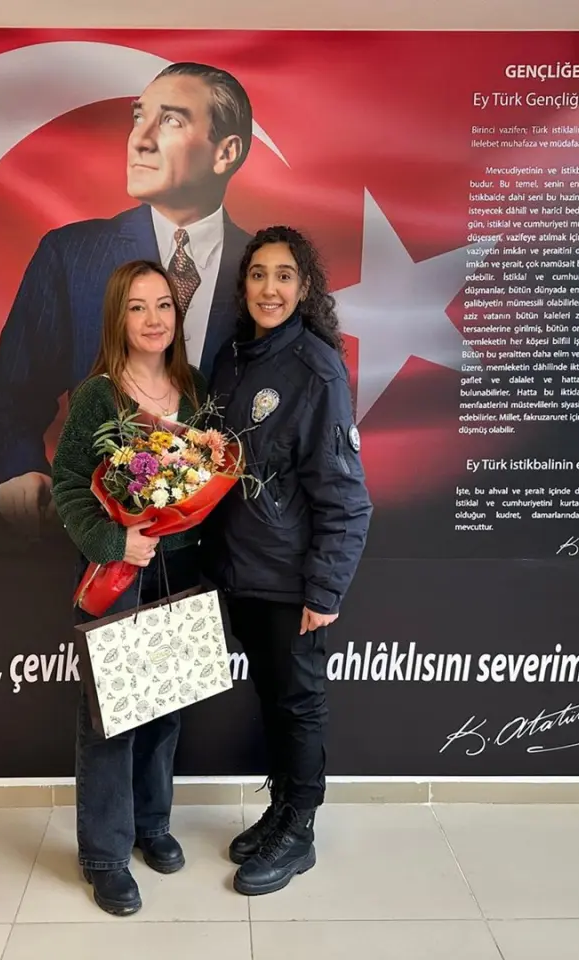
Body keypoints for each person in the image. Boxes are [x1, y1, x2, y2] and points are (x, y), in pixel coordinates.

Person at [0, 61, 254, 529]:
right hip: (104, 530)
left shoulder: (267, 273)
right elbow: (12, 393)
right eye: (139, 117)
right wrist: (16, 467)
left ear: (225, 152)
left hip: (237, 536)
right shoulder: (70, 255)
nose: (140, 139)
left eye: (171, 120)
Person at [201, 226, 372, 896]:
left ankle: (299, 831)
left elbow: (346, 497)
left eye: (284, 276)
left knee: (298, 703)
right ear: (243, 285)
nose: (269, 289)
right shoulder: (233, 358)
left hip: (289, 577)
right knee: (272, 698)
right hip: (239, 569)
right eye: (258, 275)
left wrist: (324, 590)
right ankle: (279, 810)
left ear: (304, 289)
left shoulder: (314, 368)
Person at [51, 259, 208, 917]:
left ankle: (151, 823)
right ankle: (105, 854)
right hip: (120, 574)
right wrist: (118, 542)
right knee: (112, 717)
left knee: (166, 707)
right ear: (118, 318)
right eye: (137, 307)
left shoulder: (192, 389)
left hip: (181, 571)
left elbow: (206, 478)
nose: (152, 319)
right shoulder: (98, 396)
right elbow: (67, 486)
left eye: (163, 305)